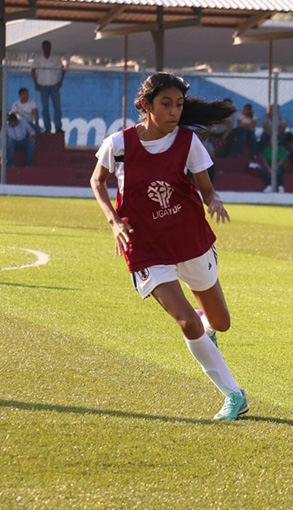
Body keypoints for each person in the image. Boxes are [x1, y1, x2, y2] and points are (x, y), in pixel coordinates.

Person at [90, 72, 248, 421]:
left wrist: (213, 200)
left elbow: (206, 188)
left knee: (220, 323)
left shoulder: (188, 142)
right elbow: (97, 181)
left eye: (178, 104)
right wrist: (114, 221)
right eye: (166, 104)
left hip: (190, 239)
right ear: (146, 105)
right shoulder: (118, 144)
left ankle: (208, 330)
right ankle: (234, 395)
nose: (174, 111)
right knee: (187, 322)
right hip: (145, 246)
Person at [31, 40, 65, 134]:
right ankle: (47, 128)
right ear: (42, 48)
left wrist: (61, 81)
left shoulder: (56, 57)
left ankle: (58, 127)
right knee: (45, 108)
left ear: (51, 47)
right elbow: (33, 70)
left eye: (48, 46)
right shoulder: (38, 58)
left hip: (54, 85)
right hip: (42, 86)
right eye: (45, 47)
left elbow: (63, 69)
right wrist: (35, 83)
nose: (47, 48)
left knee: (57, 107)